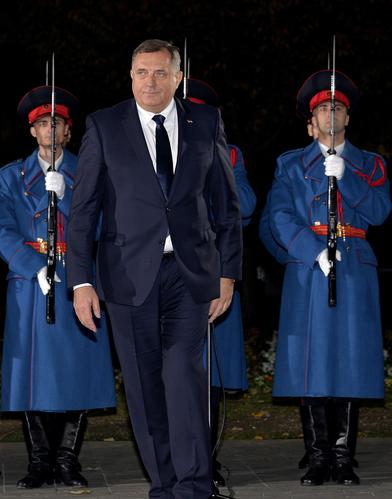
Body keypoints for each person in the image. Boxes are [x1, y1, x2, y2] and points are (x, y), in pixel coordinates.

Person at [67, 39, 242, 499]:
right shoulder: (104, 126)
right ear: (130, 76)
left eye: (161, 73)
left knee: (184, 374)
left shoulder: (205, 122)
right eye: (142, 72)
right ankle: (165, 485)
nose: (151, 81)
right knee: (145, 388)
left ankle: (194, 487)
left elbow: (226, 205)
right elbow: (83, 211)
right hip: (127, 277)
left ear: (177, 77)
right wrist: (81, 282)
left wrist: (228, 273)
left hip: (191, 274)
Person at [266, 69, 391, 486]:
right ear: (311, 121)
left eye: (337, 107)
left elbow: (379, 212)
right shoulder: (290, 164)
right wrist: (310, 250)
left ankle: (342, 456)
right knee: (311, 362)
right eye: (323, 109)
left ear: (348, 118)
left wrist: (347, 176)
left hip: (355, 268)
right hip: (310, 270)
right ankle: (318, 455)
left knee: (349, 359)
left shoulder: (371, 164)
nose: (331, 114)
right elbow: (280, 215)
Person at [0, 85, 116, 489]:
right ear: (32, 131)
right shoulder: (10, 176)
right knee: (33, 373)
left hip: (77, 278)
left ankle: (67, 460)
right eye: (42, 123)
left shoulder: (91, 171)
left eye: (56, 123)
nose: (49, 130)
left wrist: (65, 198)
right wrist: (31, 266)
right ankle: (39, 460)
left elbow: (103, 227)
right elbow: (1, 230)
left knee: (76, 369)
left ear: (68, 131)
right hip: (31, 283)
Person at [178, 78, 256, 489]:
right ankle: (180, 459)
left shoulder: (229, 152)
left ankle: (206, 458)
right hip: (170, 272)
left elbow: (245, 204)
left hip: (213, 273)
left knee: (208, 375)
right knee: (175, 371)